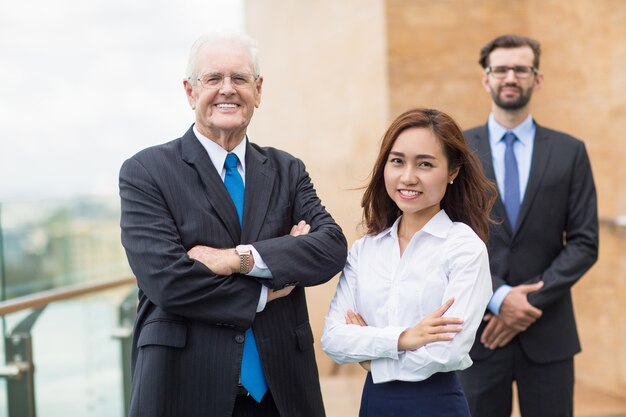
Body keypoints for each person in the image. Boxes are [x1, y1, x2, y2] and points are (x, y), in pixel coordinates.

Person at [119, 32, 347, 417]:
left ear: (258, 91)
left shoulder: (287, 170)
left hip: (282, 393)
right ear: (190, 92)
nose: (228, 90)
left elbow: (330, 248)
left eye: (240, 79)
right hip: (186, 388)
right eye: (213, 79)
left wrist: (235, 260)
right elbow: (170, 282)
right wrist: (268, 290)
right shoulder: (146, 172)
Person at [457, 34, 599, 417]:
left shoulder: (570, 151)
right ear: (485, 78)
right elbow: (446, 236)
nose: (510, 77)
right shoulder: (460, 151)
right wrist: (500, 297)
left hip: (549, 332)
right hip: (479, 332)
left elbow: (585, 241)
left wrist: (526, 302)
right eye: (501, 69)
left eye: (521, 69)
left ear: (537, 78)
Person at [321, 108, 497, 417]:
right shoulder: (365, 251)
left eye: (425, 164)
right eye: (397, 161)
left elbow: (447, 351)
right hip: (374, 404)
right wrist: (403, 338)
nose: (408, 177)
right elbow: (334, 339)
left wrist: (371, 354)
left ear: (453, 171)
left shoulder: (463, 248)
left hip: (436, 404)